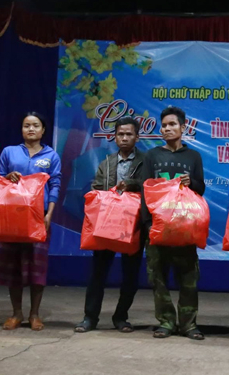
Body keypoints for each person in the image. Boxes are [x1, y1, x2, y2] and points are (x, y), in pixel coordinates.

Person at [0, 112, 61, 331]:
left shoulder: (51, 156)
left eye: (35, 126)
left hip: (38, 218)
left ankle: (34, 314)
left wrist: (49, 214)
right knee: (13, 268)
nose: (30, 129)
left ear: (43, 130)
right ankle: (16, 314)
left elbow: (56, 184)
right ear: (21, 129)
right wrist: (6, 177)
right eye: (26, 125)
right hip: (12, 218)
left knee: (36, 268)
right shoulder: (9, 152)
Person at [141, 106, 206, 340]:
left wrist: (192, 183)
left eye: (172, 124)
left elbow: (201, 190)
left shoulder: (193, 156)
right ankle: (166, 322)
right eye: (164, 125)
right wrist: (147, 224)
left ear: (183, 127)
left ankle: (189, 324)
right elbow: (145, 191)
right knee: (157, 278)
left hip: (184, 228)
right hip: (158, 228)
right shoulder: (152, 156)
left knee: (189, 278)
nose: (167, 129)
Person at [75, 116, 144, 334]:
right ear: (114, 137)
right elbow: (96, 187)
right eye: (120, 134)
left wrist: (131, 185)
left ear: (137, 137)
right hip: (106, 225)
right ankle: (90, 317)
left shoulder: (146, 161)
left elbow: (150, 186)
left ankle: (121, 317)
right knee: (97, 273)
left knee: (130, 275)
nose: (124, 138)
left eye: (129, 134)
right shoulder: (106, 163)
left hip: (133, 226)